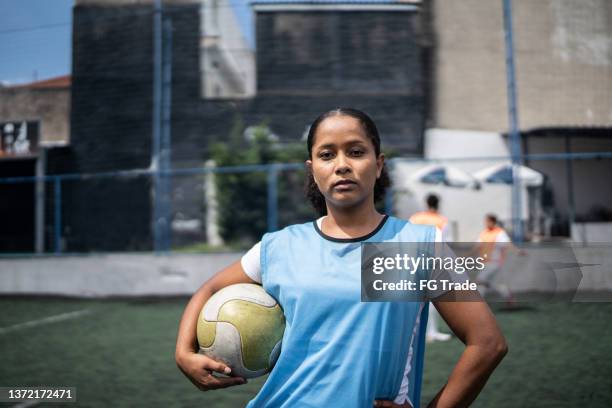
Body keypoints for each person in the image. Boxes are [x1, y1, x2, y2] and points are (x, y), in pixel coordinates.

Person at [175, 108, 508, 408]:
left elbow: (487, 343)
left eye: (356, 152)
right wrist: (184, 354)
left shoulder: (413, 245)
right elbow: (207, 291)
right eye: (327, 154)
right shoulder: (281, 246)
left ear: (378, 165)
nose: (342, 165)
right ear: (313, 169)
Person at [409, 194, 452, 343]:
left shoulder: (415, 218)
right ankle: (431, 332)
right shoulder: (442, 221)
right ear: (438, 203)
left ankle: (419, 331)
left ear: (426, 203)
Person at [475, 214, 514, 304]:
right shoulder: (484, 233)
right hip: (484, 262)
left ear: (493, 222)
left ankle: (478, 303)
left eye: (487, 221)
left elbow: (508, 243)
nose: (485, 223)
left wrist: (518, 251)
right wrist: (467, 255)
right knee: (486, 284)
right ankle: (506, 293)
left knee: (480, 279)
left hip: (494, 262)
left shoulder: (499, 233)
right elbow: (477, 246)